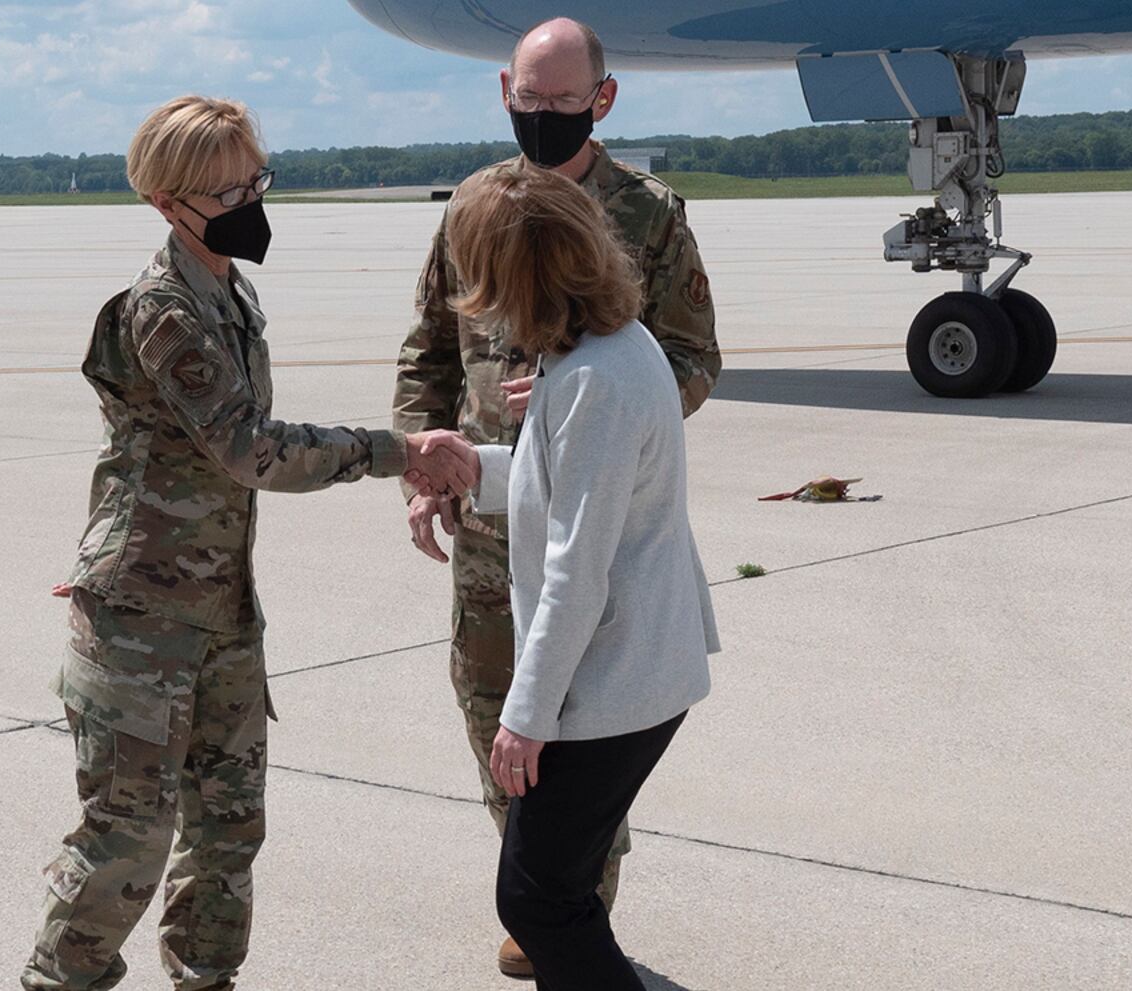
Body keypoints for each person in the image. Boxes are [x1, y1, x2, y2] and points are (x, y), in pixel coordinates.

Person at [23, 95, 476, 991]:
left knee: (228, 826)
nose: (246, 200)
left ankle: (207, 977)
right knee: (128, 834)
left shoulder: (229, 289)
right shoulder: (162, 310)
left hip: (222, 606)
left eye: (252, 180)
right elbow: (250, 449)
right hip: (143, 613)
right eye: (223, 189)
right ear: (166, 202)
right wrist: (399, 452)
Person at [390, 15, 722, 978]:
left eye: (562, 103)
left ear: (602, 101)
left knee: (565, 739)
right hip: (492, 517)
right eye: (527, 101)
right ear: (505, 92)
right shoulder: (477, 206)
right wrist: (428, 464)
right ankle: (548, 887)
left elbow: (691, 360)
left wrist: (587, 415)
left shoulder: (648, 216)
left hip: (585, 519)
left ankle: (566, 904)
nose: (540, 117)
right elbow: (430, 347)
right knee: (493, 711)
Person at [444, 164, 720, 991]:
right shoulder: (603, 349)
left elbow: (576, 567)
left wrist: (523, 718)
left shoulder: (596, 379)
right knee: (555, 891)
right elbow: (564, 483)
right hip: (632, 670)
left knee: (537, 898)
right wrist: (469, 469)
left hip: (613, 680)